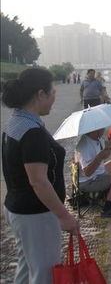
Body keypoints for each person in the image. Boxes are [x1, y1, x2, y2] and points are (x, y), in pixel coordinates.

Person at [1, 68, 79, 284]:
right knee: (45, 274)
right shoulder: (32, 132)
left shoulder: (15, 123)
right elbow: (38, 181)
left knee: (27, 268)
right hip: (36, 214)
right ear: (40, 94)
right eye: (53, 91)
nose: (55, 96)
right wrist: (64, 215)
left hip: (18, 208)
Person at [75, 128, 111, 218]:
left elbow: (106, 143)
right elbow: (87, 172)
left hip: (96, 175)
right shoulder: (85, 145)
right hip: (88, 182)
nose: (104, 129)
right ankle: (107, 208)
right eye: (102, 128)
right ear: (96, 129)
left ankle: (106, 195)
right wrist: (100, 157)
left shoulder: (95, 138)